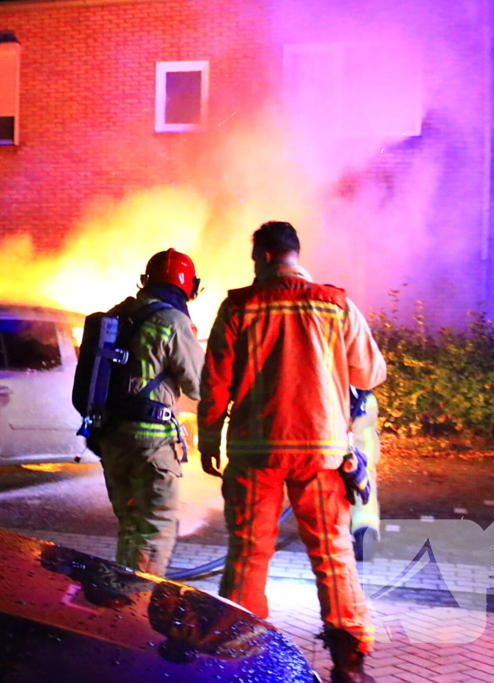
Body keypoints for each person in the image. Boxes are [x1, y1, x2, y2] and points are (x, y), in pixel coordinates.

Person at [198, 221, 386, 683]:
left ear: (262, 257)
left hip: (254, 452)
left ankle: (237, 656)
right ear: (294, 255)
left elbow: (216, 382)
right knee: (332, 554)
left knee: (247, 554)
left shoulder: (239, 306)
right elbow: (370, 373)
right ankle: (349, 663)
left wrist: (207, 439)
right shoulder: (335, 304)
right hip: (322, 452)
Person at [99, 248, 204, 576]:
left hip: (111, 437)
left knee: (130, 525)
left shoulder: (118, 314)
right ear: (188, 288)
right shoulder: (173, 321)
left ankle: (119, 601)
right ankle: (136, 609)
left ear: (146, 281)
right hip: (152, 444)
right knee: (154, 528)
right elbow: (201, 387)